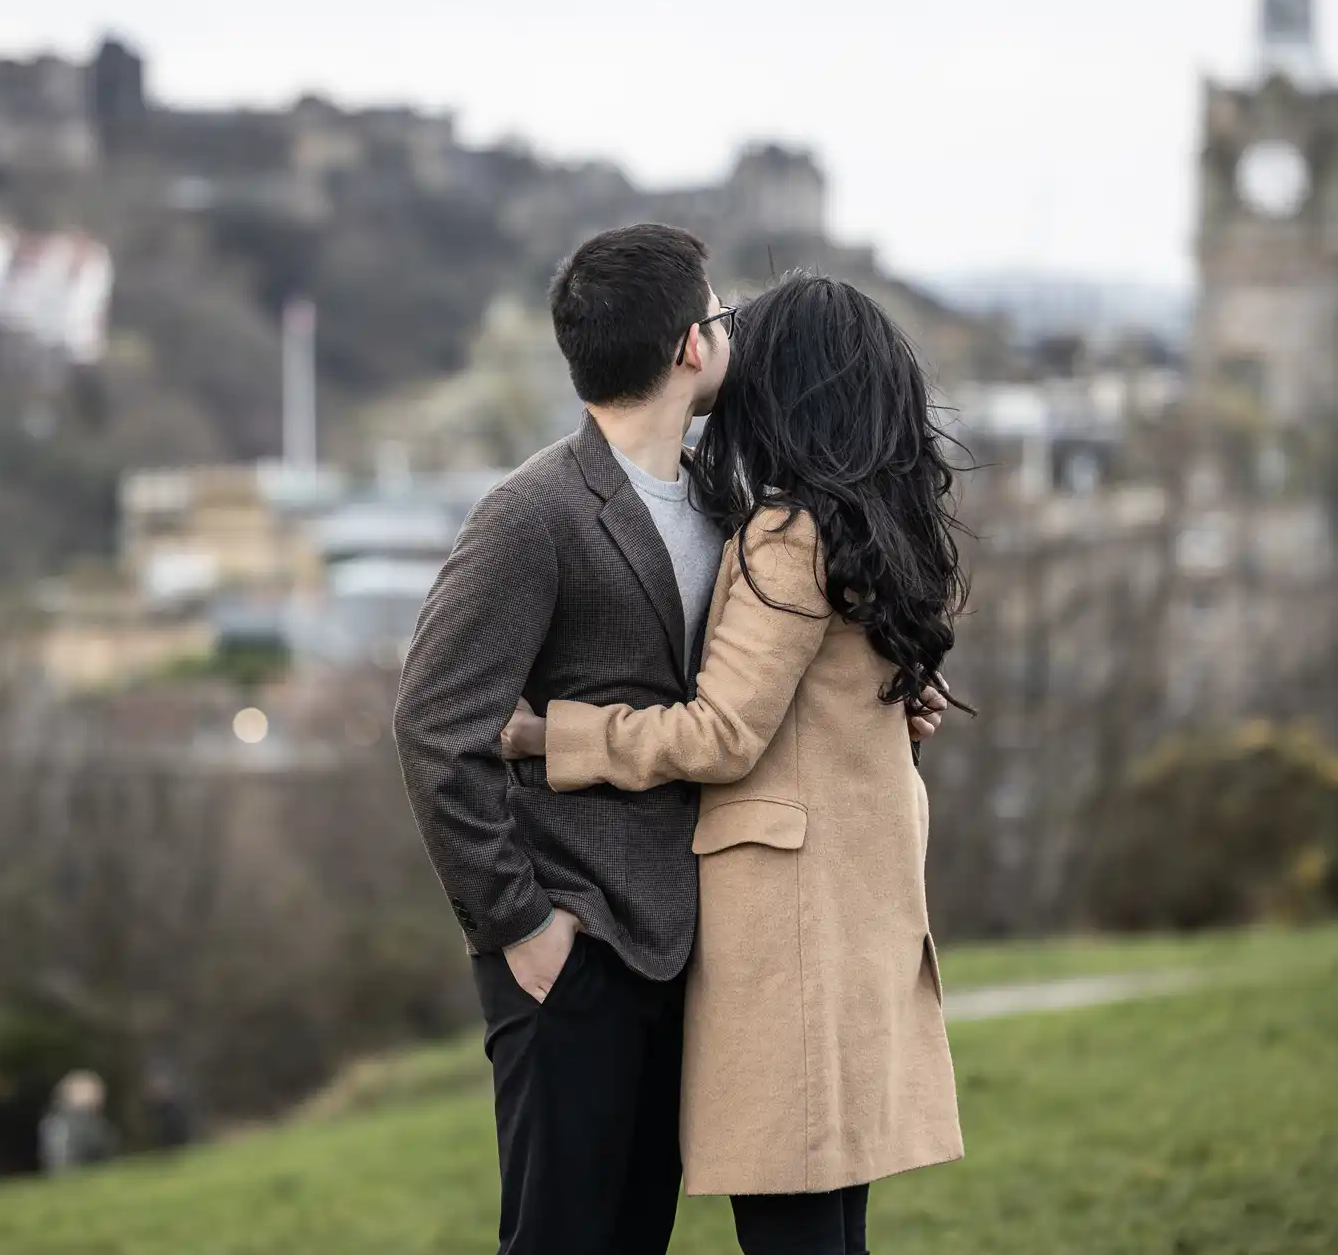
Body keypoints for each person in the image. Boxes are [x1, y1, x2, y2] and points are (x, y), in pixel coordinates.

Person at [394, 227, 942, 1255]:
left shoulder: (721, 499)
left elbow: (783, 664)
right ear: (693, 346)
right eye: (723, 311)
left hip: (702, 946)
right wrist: (520, 927)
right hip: (575, 945)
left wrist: (887, 690)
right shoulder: (530, 516)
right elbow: (432, 727)